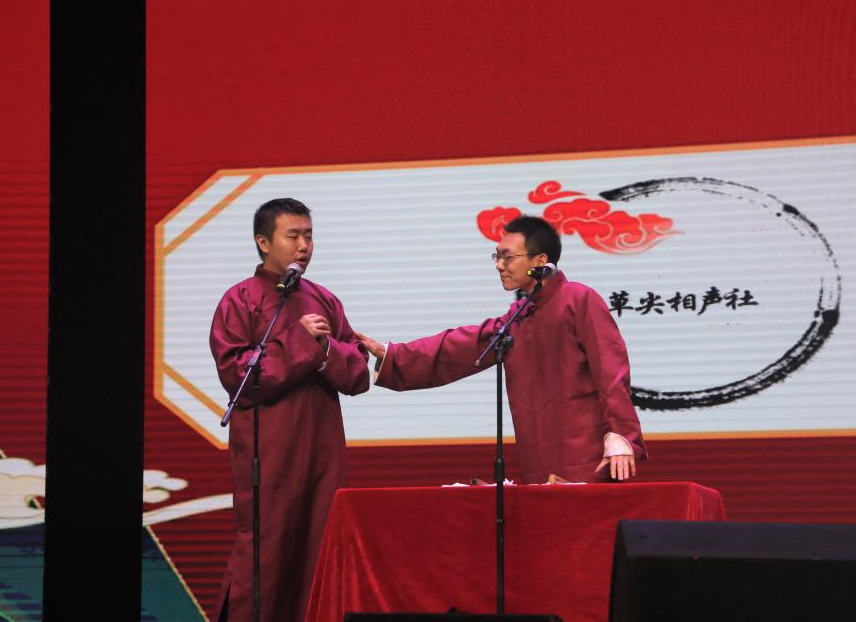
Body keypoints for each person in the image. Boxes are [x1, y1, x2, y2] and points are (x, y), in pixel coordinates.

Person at [357, 215, 645, 484]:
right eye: (497, 256)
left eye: (508, 256)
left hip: (587, 456)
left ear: (540, 262)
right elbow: (459, 347)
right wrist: (393, 354)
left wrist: (621, 433)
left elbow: (611, 371)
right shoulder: (519, 316)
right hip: (537, 459)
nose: (499, 265)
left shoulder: (579, 299)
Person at [209, 198, 369, 622]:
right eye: (293, 236)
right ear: (264, 242)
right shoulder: (240, 300)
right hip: (268, 451)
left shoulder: (325, 300)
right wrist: (299, 342)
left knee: (319, 546)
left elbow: (358, 374)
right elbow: (238, 376)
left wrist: (324, 349)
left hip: (321, 451)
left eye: (309, 236)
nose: (304, 246)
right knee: (267, 548)